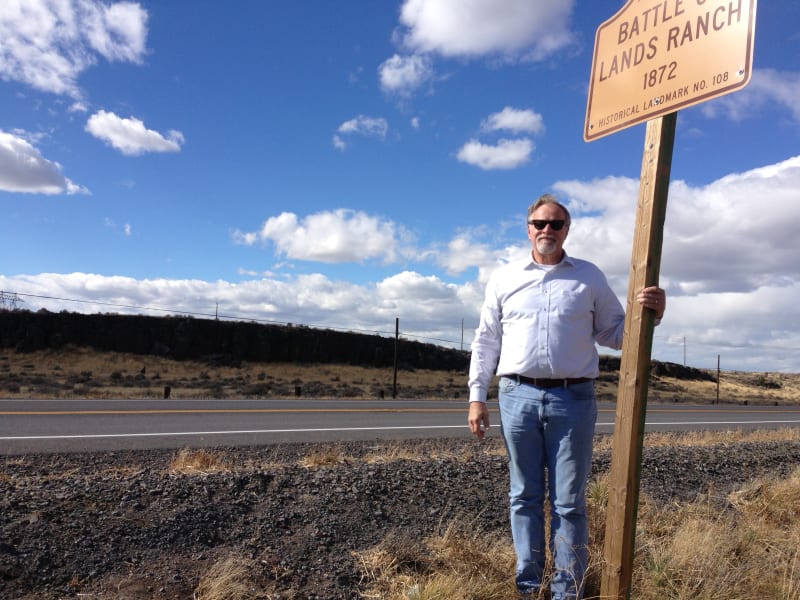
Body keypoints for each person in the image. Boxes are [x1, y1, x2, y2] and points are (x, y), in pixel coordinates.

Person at [467, 194, 665, 599]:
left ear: (567, 230)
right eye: (540, 223)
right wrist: (476, 396)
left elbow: (614, 334)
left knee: (569, 500)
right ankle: (528, 586)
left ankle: (567, 589)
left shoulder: (589, 277)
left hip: (573, 399)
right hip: (516, 395)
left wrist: (652, 315)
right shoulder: (505, 278)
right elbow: (487, 340)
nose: (547, 231)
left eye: (556, 224)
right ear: (528, 229)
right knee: (523, 494)